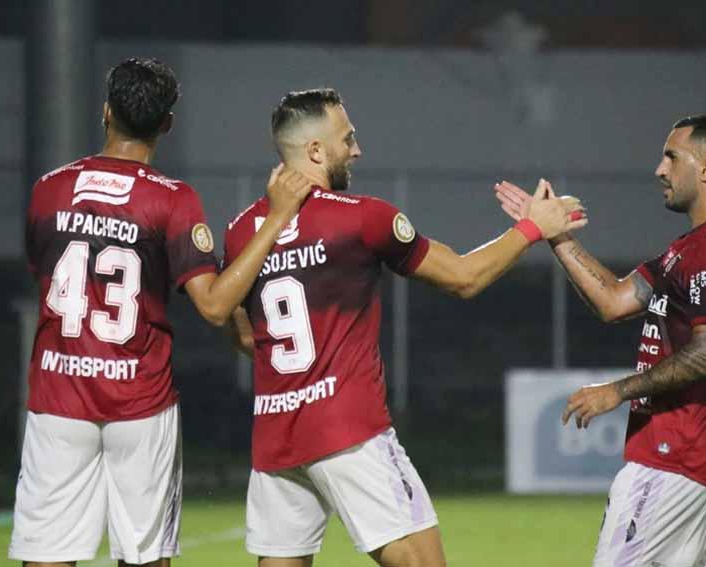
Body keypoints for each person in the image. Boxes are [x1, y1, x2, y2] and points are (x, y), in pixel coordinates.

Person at [223, 88, 587, 567]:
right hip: (348, 430)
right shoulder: (363, 218)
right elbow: (463, 277)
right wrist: (532, 228)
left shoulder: (241, 231)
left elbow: (244, 333)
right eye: (347, 138)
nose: (357, 149)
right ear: (315, 151)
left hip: (276, 436)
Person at [9, 57, 311, 567]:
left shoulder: (49, 188)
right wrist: (277, 216)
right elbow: (214, 306)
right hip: (139, 404)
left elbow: (41, 270)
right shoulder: (171, 200)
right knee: (145, 558)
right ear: (166, 124)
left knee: (47, 556)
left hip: (59, 398)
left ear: (105, 112)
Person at [496, 114, 706, 566]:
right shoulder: (694, 247)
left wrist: (615, 392)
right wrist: (553, 234)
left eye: (671, 157)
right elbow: (614, 300)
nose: (660, 169)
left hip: (678, 458)